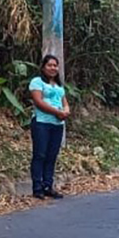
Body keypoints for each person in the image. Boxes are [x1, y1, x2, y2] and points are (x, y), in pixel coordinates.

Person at [29, 55, 69, 200]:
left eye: (55, 66)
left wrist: (65, 111)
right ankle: (37, 187)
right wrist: (57, 112)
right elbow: (39, 102)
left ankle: (48, 185)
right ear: (43, 67)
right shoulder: (37, 82)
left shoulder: (58, 86)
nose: (53, 68)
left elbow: (64, 102)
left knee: (52, 156)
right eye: (50, 65)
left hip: (57, 124)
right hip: (41, 123)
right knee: (40, 154)